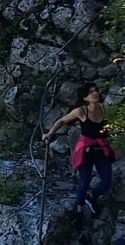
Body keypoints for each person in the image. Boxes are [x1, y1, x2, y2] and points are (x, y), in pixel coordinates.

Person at [44, 85, 116, 217]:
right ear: (85, 98)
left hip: (101, 148)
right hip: (86, 150)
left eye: (95, 91)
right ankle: (79, 211)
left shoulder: (104, 108)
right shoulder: (81, 111)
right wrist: (50, 134)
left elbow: (111, 125)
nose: (95, 94)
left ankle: (92, 196)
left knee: (106, 182)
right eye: (91, 92)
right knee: (84, 181)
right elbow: (62, 121)